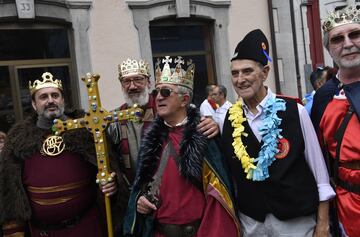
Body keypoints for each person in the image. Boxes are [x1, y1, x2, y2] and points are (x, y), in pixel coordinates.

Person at [222, 29, 335, 237]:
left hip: (296, 222)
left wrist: (323, 224)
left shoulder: (295, 111)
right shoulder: (227, 119)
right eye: (234, 73)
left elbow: (320, 174)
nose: (240, 79)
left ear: (264, 72)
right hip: (252, 224)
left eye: (247, 71)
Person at [123, 56, 241, 237]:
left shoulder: (204, 135)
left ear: (185, 100)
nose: (158, 98)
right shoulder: (150, 140)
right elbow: (142, 188)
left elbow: (218, 197)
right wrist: (139, 201)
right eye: (155, 93)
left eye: (165, 92)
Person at [0, 72, 129, 237]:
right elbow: (9, 190)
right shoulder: (17, 139)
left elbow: (110, 168)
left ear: (63, 100)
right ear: (34, 104)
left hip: (87, 226)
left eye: (55, 95)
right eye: (43, 97)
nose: (50, 100)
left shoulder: (87, 129)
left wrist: (113, 184)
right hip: (43, 231)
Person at [108, 58, 220, 187]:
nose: (132, 86)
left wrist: (214, 126)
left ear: (149, 83)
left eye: (138, 79)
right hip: (132, 193)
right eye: (126, 81)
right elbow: (110, 161)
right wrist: (112, 180)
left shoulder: (168, 109)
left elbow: (190, 121)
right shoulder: (113, 120)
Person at [311, 4, 360, 237]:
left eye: (355, 34)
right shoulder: (324, 96)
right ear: (329, 50)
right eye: (338, 39)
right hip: (348, 205)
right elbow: (317, 159)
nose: (348, 43)